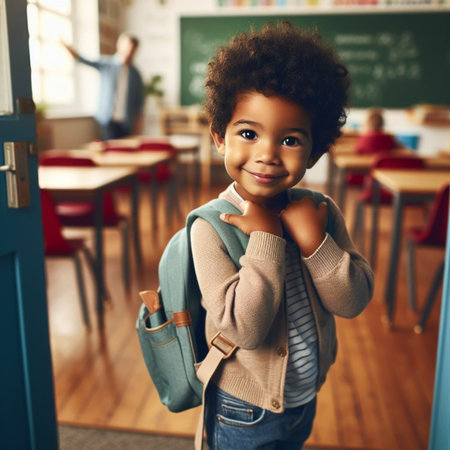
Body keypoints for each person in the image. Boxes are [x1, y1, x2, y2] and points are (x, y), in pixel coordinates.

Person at [191, 22, 374, 449]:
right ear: (220, 137)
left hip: (303, 399)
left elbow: (354, 301)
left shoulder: (320, 212)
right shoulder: (210, 228)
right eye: (249, 133)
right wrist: (267, 240)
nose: (267, 154)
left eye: (290, 139)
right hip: (242, 411)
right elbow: (244, 330)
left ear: (315, 152)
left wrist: (316, 243)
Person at [62, 33, 144, 140]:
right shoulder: (107, 65)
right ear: (120, 45)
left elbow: (139, 105)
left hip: (126, 123)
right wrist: (67, 48)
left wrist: (138, 128)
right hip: (107, 121)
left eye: (132, 50)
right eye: (127, 48)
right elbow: (84, 60)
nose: (129, 52)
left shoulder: (136, 74)